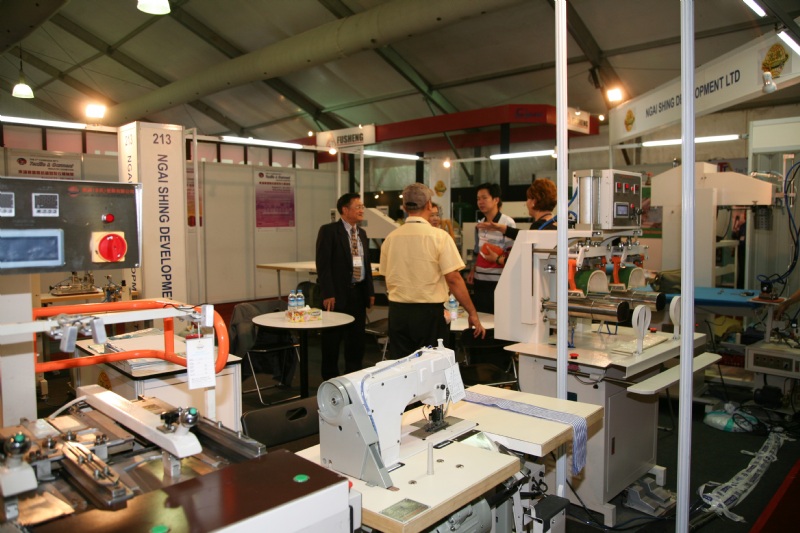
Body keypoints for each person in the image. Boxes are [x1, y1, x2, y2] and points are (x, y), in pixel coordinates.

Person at [380, 183, 485, 359]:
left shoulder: (391, 238)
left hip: (398, 313)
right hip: (428, 314)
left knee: (402, 366)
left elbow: (387, 275)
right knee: (431, 366)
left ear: (404, 207)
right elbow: (454, 279)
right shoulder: (439, 237)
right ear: (429, 205)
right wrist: (472, 313)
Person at [315, 193, 375, 380]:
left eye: (362, 207)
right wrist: (328, 293)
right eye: (358, 207)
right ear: (345, 210)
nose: (362, 210)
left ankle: (353, 378)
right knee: (332, 341)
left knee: (356, 341)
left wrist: (370, 291)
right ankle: (330, 380)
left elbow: (366, 265)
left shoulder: (362, 233)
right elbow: (323, 265)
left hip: (358, 293)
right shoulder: (329, 231)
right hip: (336, 295)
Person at [466, 182, 516, 313]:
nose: (480, 202)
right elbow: (477, 251)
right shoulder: (480, 224)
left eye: (484, 198)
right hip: (480, 280)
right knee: (482, 317)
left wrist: (497, 258)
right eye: (478, 198)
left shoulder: (507, 223)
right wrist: (473, 270)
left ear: (496, 200)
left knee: (499, 318)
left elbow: (512, 253)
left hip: (499, 281)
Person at [477, 179, 557, 251]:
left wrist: (498, 259)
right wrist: (502, 228)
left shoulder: (539, 226)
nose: (526, 203)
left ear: (534, 201)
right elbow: (523, 235)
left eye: (528, 198)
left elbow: (525, 239)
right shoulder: (553, 223)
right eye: (478, 199)